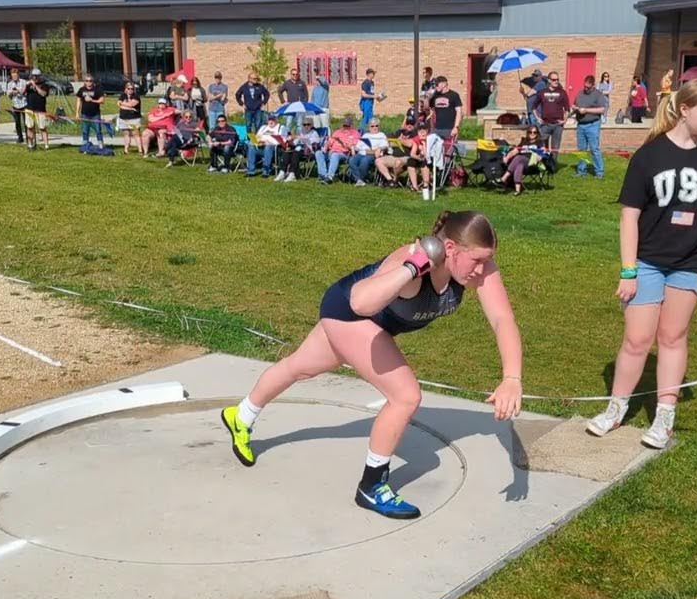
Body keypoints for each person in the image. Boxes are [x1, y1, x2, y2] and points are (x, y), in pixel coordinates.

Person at [218, 210, 523, 519]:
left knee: (300, 366)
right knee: (405, 396)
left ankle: (240, 415)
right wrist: (411, 268)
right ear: (450, 250)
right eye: (477, 261)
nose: (481, 269)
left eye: (486, 261)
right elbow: (360, 302)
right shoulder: (415, 260)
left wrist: (512, 377)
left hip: (368, 324)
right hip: (349, 314)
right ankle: (372, 486)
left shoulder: (475, 267)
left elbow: (502, 319)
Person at [586, 79, 697, 449]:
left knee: (672, 337)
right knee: (637, 339)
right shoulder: (649, 156)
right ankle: (616, 408)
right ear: (684, 110)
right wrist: (628, 269)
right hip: (648, 262)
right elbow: (629, 217)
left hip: (690, 264)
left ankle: (664, 415)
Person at [572, 74, 607, 179]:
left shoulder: (598, 95)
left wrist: (586, 110)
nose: (586, 89)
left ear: (593, 85)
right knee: (581, 149)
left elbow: (602, 109)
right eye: (585, 86)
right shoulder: (580, 93)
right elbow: (574, 105)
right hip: (581, 125)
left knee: (594, 149)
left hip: (593, 124)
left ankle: (599, 171)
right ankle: (581, 170)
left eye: (588, 87)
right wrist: (575, 108)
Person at [531, 71, 570, 160]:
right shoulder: (542, 92)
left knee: (555, 148)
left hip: (557, 125)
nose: (556, 81)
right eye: (553, 80)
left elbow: (567, 108)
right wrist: (538, 118)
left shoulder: (562, 92)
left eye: (557, 79)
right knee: (542, 147)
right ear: (549, 80)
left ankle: (552, 166)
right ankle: (544, 164)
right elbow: (534, 107)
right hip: (545, 124)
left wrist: (565, 120)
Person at [498, 126, 546, 196]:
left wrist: (540, 156)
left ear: (537, 133)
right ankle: (518, 190)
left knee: (519, 157)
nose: (532, 134)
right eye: (530, 132)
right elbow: (514, 151)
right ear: (527, 133)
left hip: (532, 164)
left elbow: (544, 152)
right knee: (519, 165)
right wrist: (507, 157)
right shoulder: (524, 141)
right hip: (523, 164)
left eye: (534, 132)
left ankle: (504, 178)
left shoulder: (539, 142)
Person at [23, 69, 51, 151]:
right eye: (33, 76)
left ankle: (46, 145)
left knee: (42, 127)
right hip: (29, 109)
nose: (34, 77)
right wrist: (25, 85)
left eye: (36, 76)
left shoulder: (45, 85)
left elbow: (43, 94)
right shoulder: (28, 85)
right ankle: (30, 144)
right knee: (29, 127)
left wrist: (35, 86)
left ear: (39, 76)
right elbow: (22, 93)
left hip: (40, 110)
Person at [76, 75, 106, 146]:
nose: (88, 82)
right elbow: (78, 101)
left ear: (93, 82)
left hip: (95, 114)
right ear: (84, 82)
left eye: (90, 81)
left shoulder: (97, 89)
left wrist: (92, 100)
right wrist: (77, 112)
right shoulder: (81, 90)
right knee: (85, 130)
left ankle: (100, 144)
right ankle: (85, 144)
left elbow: (102, 101)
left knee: (98, 130)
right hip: (85, 114)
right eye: (87, 81)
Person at [117, 81, 144, 154]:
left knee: (136, 134)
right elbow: (118, 104)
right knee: (126, 134)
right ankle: (126, 149)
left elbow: (131, 104)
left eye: (132, 89)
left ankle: (140, 150)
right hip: (123, 118)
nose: (130, 90)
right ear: (125, 89)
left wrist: (124, 105)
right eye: (128, 88)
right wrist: (129, 107)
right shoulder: (123, 95)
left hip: (134, 119)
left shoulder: (136, 96)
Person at [6, 68, 29, 145]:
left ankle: (28, 137)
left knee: (26, 122)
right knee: (17, 122)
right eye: (13, 76)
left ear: (18, 75)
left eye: (16, 76)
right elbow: (9, 96)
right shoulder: (9, 84)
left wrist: (18, 91)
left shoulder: (23, 82)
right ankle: (20, 137)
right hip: (15, 105)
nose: (14, 77)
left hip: (24, 104)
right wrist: (11, 93)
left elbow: (24, 93)